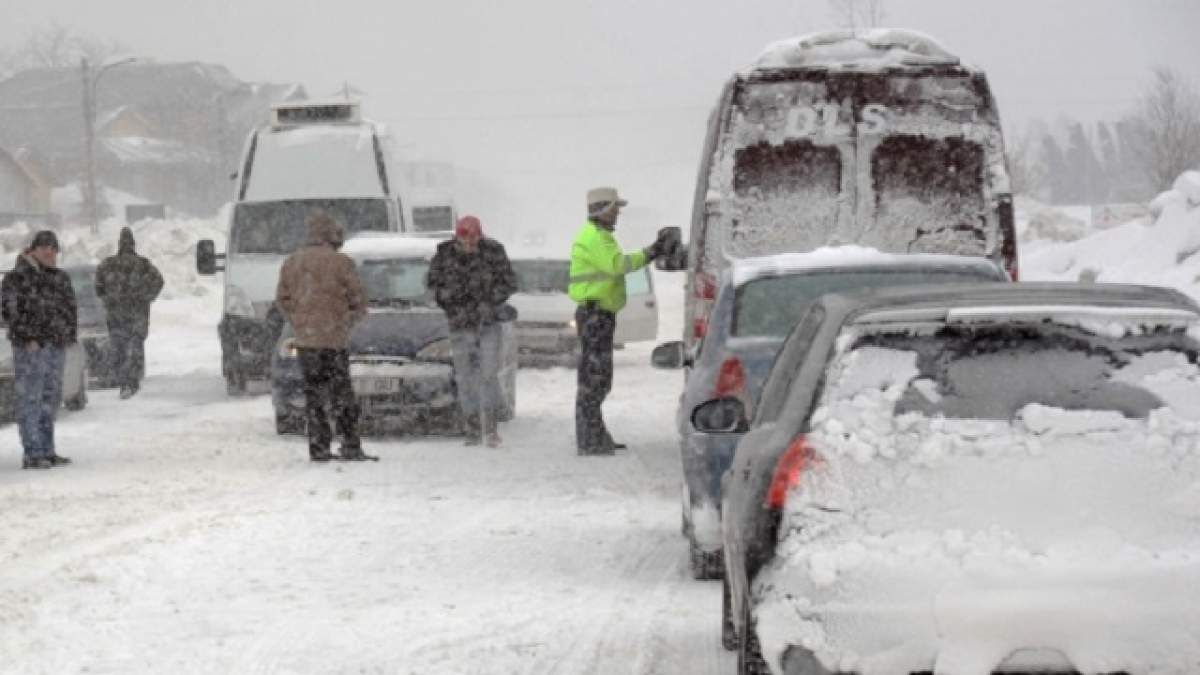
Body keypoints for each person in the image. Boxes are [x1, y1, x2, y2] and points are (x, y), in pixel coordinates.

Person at [568, 188, 670, 455]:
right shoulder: (596, 238)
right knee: (595, 378)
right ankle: (590, 439)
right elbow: (617, 265)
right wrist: (651, 252)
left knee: (597, 377)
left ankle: (595, 435)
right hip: (595, 314)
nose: (618, 213)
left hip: (597, 314)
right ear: (602, 209)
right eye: (615, 208)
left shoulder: (598, 236)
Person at [275, 210, 373, 462]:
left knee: (314, 396)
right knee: (342, 394)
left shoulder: (292, 262)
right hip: (335, 340)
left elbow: (282, 300)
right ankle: (350, 443)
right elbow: (358, 299)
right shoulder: (341, 263)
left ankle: (319, 447)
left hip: (307, 341)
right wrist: (346, 320)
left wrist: (299, 321)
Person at [427, 215, 517, 447]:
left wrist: (490, 301)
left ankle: (490, 426)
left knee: (488, 375)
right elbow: (433, 285)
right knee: (465, 377)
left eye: (474, 238)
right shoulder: (445, 255)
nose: (469, 243)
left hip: (488, 323)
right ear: (457, 237)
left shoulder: (494, 252)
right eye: (465, 238)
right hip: (459, 324)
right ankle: (471, 426)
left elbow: (509, 282)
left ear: (480, 235)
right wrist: (449, 300)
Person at [0, 231, 77, 469]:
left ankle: (47, 449)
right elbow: (8, 312)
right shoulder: (17, 278)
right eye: (44, 247)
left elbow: (70, 308)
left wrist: (68, 335)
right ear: (32, 250)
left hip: (56, 344)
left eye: (54, 248)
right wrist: (27, 336)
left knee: (50, 398)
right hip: (31, 347)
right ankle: (33, 452)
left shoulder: (60, 277)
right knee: (31, 398)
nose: (50, 252)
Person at [95, 227, 165, 399]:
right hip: (137, 314)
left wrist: (107, 299)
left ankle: (123, 381)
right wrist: (147, 297)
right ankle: (132, 380)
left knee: (119, 347)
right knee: (135, 347)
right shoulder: (143, 264)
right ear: (133, 245)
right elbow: (159, 281)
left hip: (116, 315)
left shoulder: (107, 265)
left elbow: (98, 286)